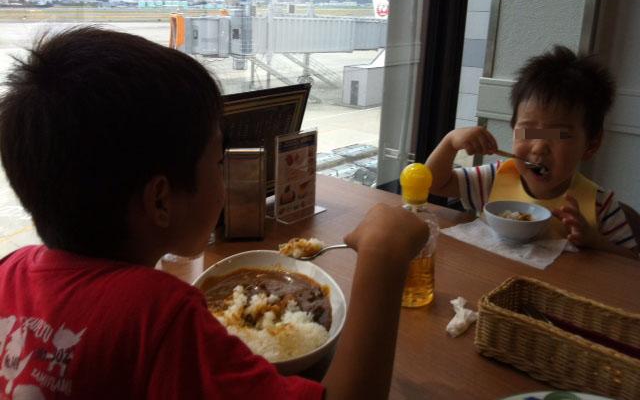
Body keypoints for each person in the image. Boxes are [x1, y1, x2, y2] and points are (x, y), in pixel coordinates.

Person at [0, 26, 430, 399]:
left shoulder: (10, 269)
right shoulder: (159, 316)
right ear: (161, 201)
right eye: (218, 162)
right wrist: (383, 255)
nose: (223, 178)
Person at [426, 45, 637, 258]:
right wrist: (450, 142)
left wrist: (596, 242)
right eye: (528, 131)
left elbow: (632, 263)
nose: (538, 147)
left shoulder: (600, 205)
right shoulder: (492, 180)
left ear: (591, 144)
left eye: (559, 135)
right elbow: (433, 183)